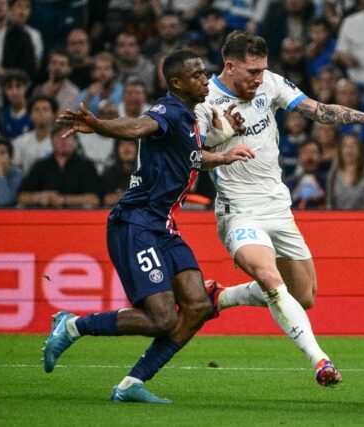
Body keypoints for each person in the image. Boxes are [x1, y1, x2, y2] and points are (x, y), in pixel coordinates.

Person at [195, 31, 364, 386]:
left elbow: (319, 111)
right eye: (251, 72)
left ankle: (222, 296)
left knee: (303, 296)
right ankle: (320, 360)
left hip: (278, 207)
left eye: (262, 70)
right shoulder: (206, 103)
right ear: (229, 67)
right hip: (239, 211)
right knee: (271, 279)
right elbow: (190, 158)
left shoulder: (271, 84)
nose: (258, 79)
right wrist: (223, 152)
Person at [44, 50, 255, 404]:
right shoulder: (167, 111)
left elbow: (188, 157)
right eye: (197, 75)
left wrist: (220, 156)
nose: (206, 80)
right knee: (159, 319)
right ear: (177, 83)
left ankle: (131, 385)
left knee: (199, 306)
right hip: (136, 223)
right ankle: (72, 326)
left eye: (205, 73)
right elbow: (138, 126)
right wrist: (100, 125)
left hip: (165, 227)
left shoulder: (188, 119)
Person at [16, 123, 100, 209]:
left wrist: (63, 199)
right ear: (51, 142)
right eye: (59, 137)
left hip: (76, 217)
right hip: (44, 217)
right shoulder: (40, 165)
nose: (63, 140)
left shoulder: (86, 165)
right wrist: (39, 197)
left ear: (75, 141)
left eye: (68, 137)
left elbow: (94, 199)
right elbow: (21, 196)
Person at [326, 133, 364, 210]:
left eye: (353, 146)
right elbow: (329, 204)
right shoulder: (333, 174)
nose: (349, 150)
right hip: (339, 220)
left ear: (360, 150)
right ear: (340, 150)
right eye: (346, 146)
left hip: (363, 219)